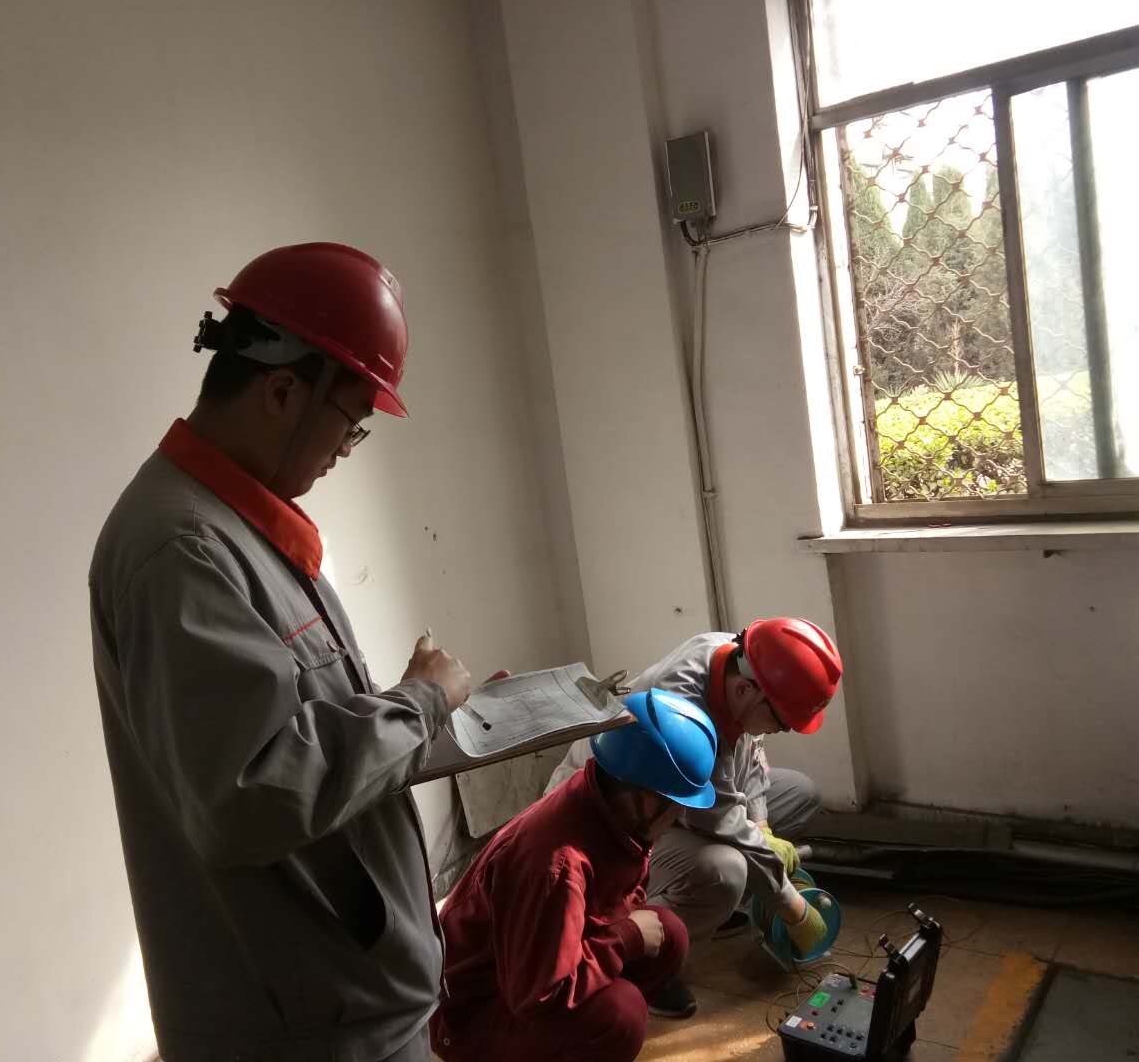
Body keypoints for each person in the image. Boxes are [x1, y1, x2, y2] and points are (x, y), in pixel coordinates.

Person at [89, 243, 480, 1062]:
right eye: (353, 421)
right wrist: (417, 704)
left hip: (341, 996)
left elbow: (293, 728)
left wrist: (432, 717)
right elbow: (250, 794)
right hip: (305, 1023)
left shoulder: (237, 524)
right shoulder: (184, 550)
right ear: (280, 390)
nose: (348, 446)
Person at [544, 617, 844, 1018]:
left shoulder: (743, 663)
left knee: (799, 795)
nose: (783, 729)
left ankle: (707, 906)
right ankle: (646, 960)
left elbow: (751, 750)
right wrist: (791, 905)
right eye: (782, 722)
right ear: (746, 690)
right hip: (616, 823)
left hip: (681, 804)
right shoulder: (683, 704)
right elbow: (716, 817)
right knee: (725, 870)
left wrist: (762, 825)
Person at [430, 690, 717, 1062]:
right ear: (646, 797)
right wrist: (625, 939)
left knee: (668, 934)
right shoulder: (556, 865)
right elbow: (539, 994)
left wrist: (621, 937)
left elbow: (613, 904)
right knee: (621, 1014)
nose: (680, 815)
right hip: (474, 1014)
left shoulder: (610, 805)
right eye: (678, 804)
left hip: (529, 972)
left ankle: (581, 1032)